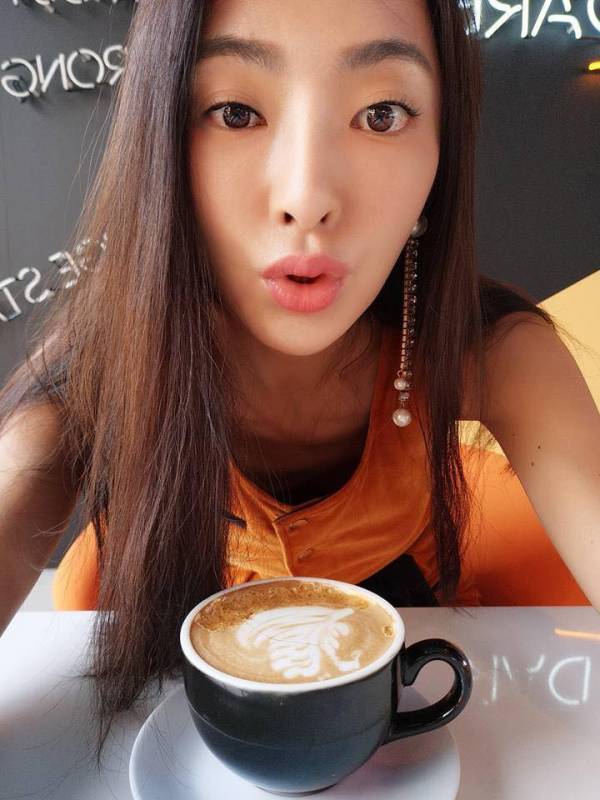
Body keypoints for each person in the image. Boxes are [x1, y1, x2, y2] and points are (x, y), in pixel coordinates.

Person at [1, 0, 599, 769]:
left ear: (440, 153)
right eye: (235, 111)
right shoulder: (95, 372)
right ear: (160, 138)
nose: (307, 197)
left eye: (382, 114)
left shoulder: (496, 354)